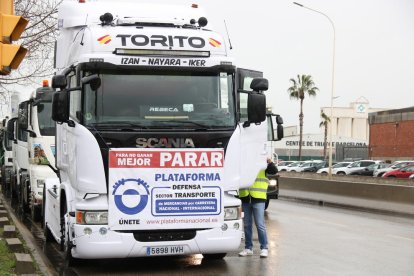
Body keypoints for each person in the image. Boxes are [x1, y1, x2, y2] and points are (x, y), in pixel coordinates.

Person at [238, 169, 270, 258]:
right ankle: (248, 248)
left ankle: (264, 248)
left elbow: (273, 170)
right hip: (245, 198)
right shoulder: (243, 163)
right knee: (247, 225)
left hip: (258, 198)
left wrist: (269, 162)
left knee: (260, 224)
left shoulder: (262, 163)